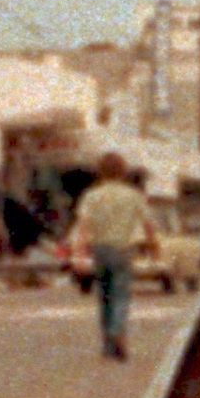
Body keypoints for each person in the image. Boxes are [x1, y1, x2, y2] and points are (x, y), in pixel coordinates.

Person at [71, 152, 151, 361]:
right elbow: (147, 223)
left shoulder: (91, 196)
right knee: (121, 294)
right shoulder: (133, 195)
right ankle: (117, 331)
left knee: (105, 296)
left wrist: (79, 252)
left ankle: (107, 343)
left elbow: (83, 225)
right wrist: (153, 244)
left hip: (100, 249)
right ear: (123, 171)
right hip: (124, 249)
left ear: (101, 171)